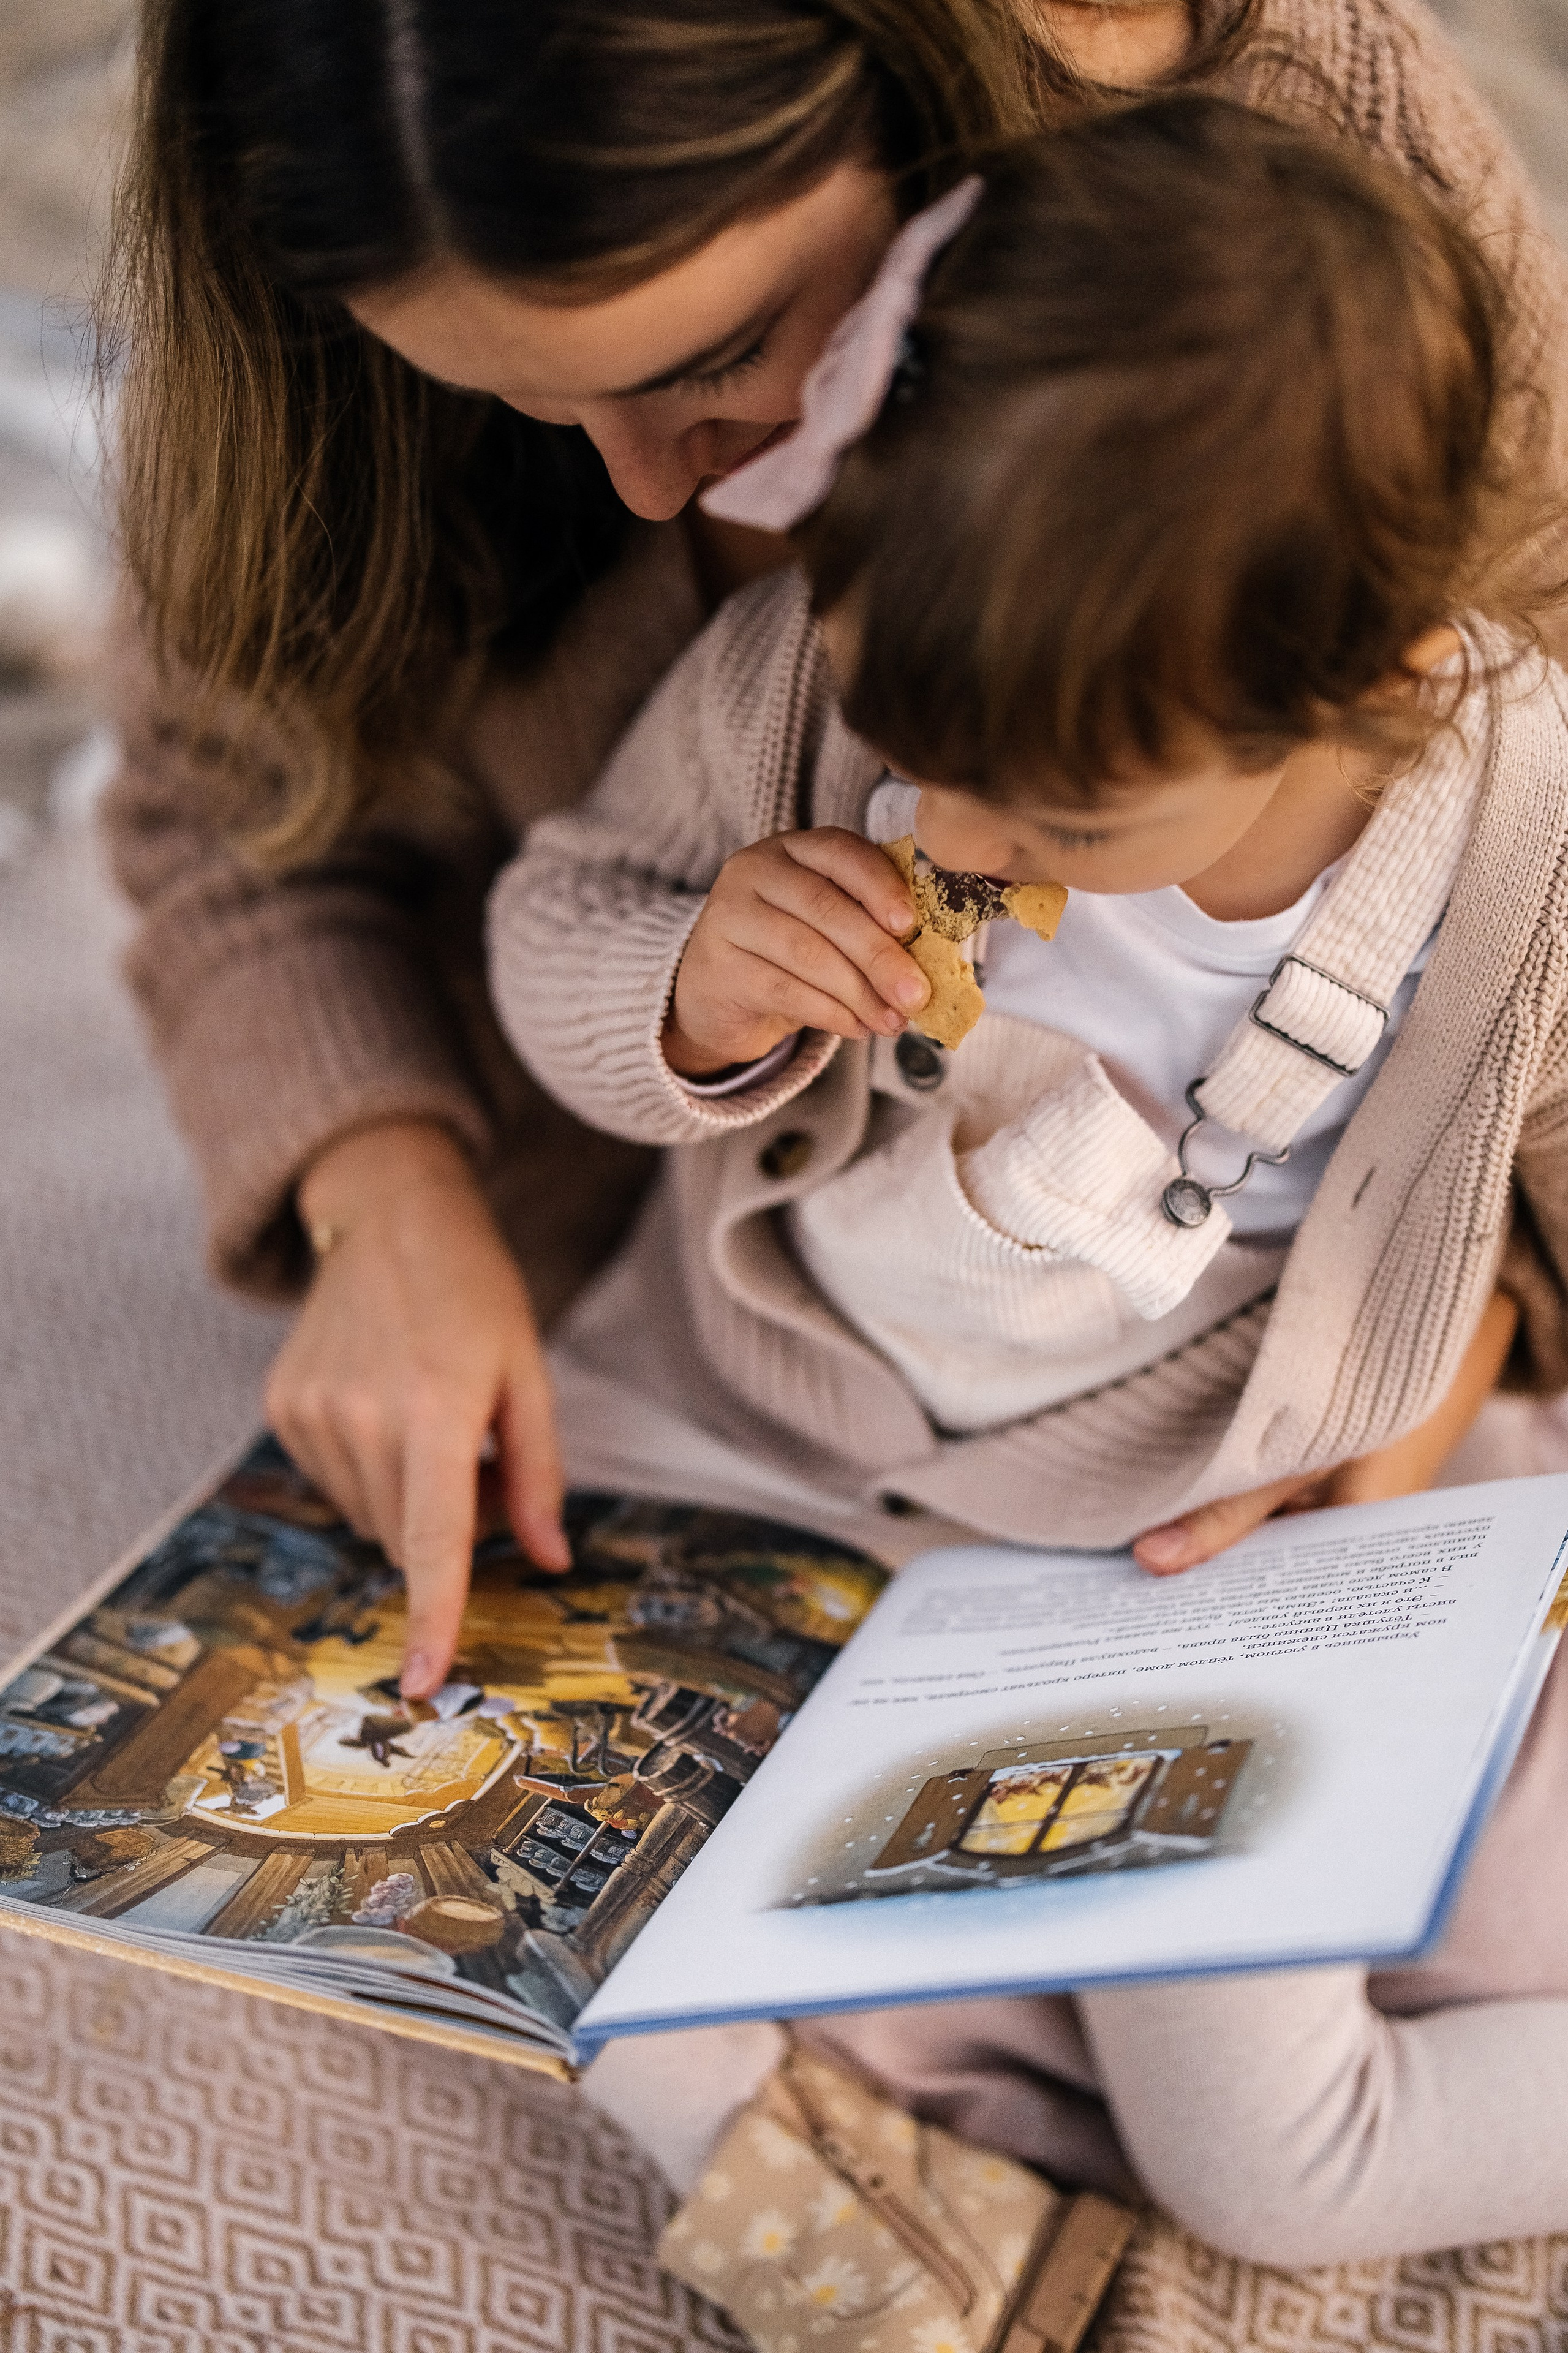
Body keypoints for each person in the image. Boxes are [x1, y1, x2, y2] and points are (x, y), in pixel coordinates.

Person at [102, 0, 1568, 1698]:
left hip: (1240, 1390)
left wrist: (1470, 1319)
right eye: (504, 400)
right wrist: (384, 1187)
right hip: (697, 1320)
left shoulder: (1316, 228)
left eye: (713, 357)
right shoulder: (740, 675)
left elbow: (1521, 957)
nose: (650, 491)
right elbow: (226, 795)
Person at [499, 92, 1568, 2265]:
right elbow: (558, 919)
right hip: (768, 1411)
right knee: (529, 1891)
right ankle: (865, 2225)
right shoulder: (807, 676)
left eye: (1056, 824)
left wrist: (1426, 1408)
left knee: (1267, 2156)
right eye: (920, 751)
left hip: (1203, 1522)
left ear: (1351, 690)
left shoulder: (1517, 852)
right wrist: (696, 985)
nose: (954, 842)